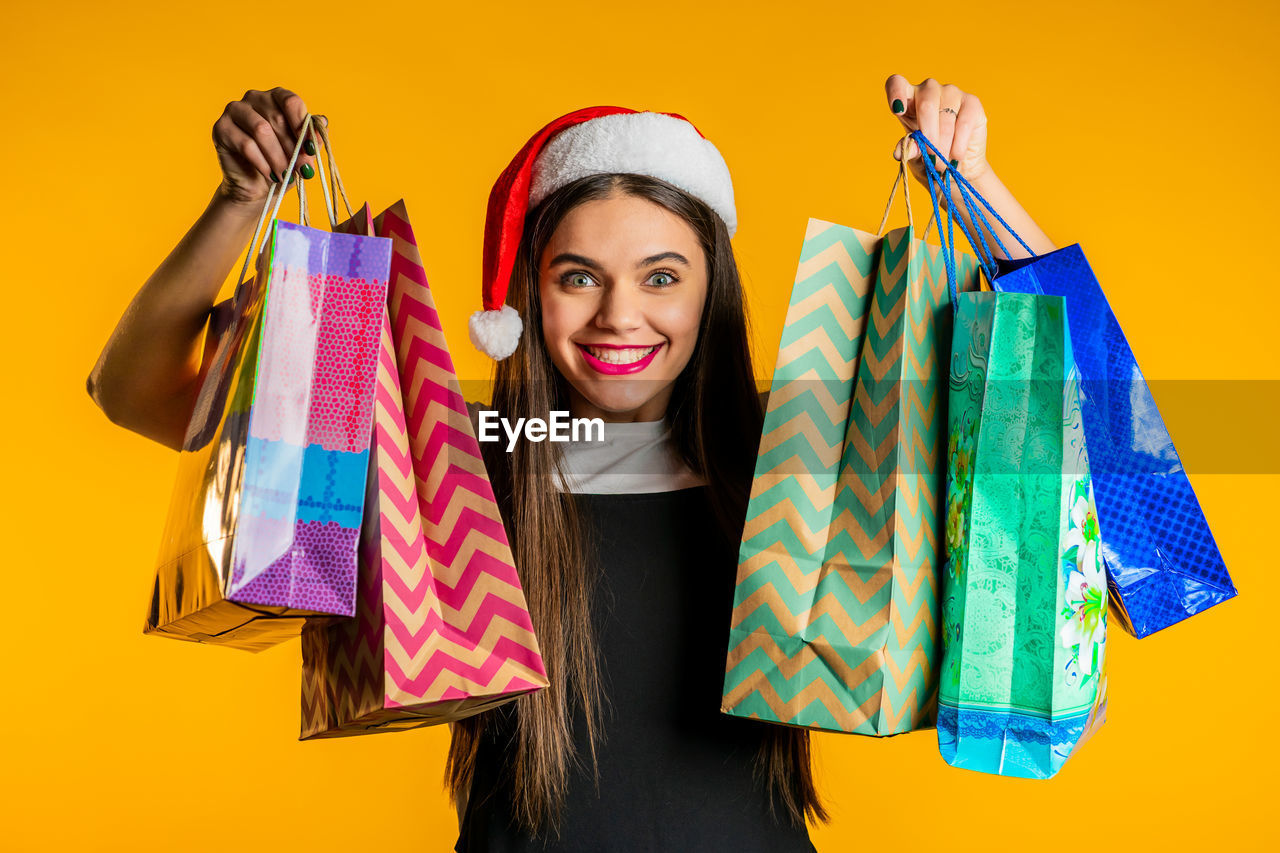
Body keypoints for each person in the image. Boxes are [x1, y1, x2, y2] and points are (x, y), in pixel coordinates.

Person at [86, 79, 1056, 851]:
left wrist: (977, 187)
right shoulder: (457, 449)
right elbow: (137, 395)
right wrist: (239, 201)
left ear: (710, 291)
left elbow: (1073, 417)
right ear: (527, 295)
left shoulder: (794, 450)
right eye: (577, 276)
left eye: (661, 276)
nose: (618, 315)